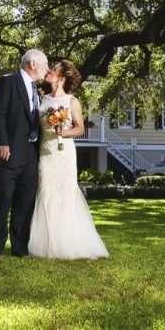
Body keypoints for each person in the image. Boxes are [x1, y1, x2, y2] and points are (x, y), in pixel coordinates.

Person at [28, 60, 109, 259]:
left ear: (61, 78)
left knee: (64, 195)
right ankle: (46, 246)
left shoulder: (72, 102)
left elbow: (80, 128)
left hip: (63, 154)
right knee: (46, 193)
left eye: (53, 69)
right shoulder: (42, 99)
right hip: (45, 154)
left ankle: (66, 243)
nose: (48, 71)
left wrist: (63, 131)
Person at [0, 49, 49, 260]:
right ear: (32, 63)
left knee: (25, 203)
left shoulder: (36, 90)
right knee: (3, 201)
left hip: (30, 154)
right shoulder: (7, 82)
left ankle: (20, 250)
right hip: (7, 153)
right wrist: (2, 143)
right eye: (45, 64)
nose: (47, 69)